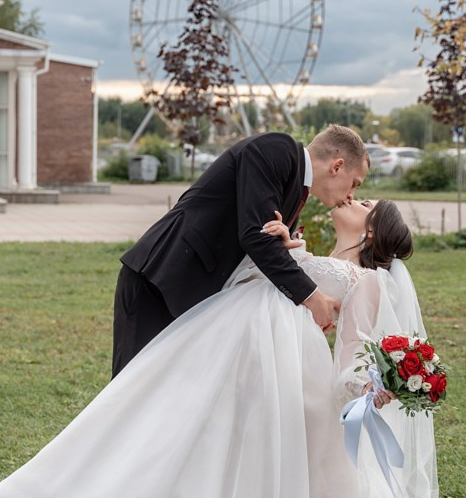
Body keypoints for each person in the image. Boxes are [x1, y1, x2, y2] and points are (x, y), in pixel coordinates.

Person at [0, 199, 460, 498]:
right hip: (257, 364)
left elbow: (352, 356)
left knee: (254, 477)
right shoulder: (322, 257)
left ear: (371, 230)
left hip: (297, 382)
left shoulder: (368, 281)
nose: (352, 197)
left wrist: (371, 386)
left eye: (364, 201)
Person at [111, 125, 369, 377]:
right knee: (129, 392)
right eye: (354, 183)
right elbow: (255, 237)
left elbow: (255, 238)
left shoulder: (293, 184)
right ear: (337, 166)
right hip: (160, 279)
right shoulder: (276, 149)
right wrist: (312, 298)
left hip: (192, 291)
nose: (351, 195)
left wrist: (285, 243)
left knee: (162, 394)